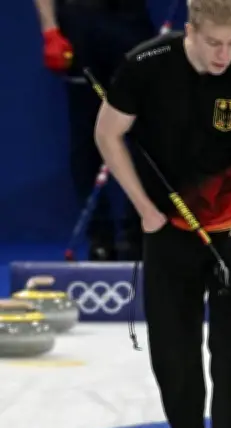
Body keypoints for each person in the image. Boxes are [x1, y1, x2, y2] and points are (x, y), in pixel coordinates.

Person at [93, 0, 231, 428]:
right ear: (191, 30)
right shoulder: (146, 64)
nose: (224, 55)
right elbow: (107, 133)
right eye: (214, 42)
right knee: (174, 357)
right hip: (169, 232)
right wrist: (146, 211)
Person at [33, 0, 157, 260]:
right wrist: (50, 30)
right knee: (87, 135)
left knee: (146, 132)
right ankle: (99, 236)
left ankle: (139, 232)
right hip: (79, 22)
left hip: (130, 21)